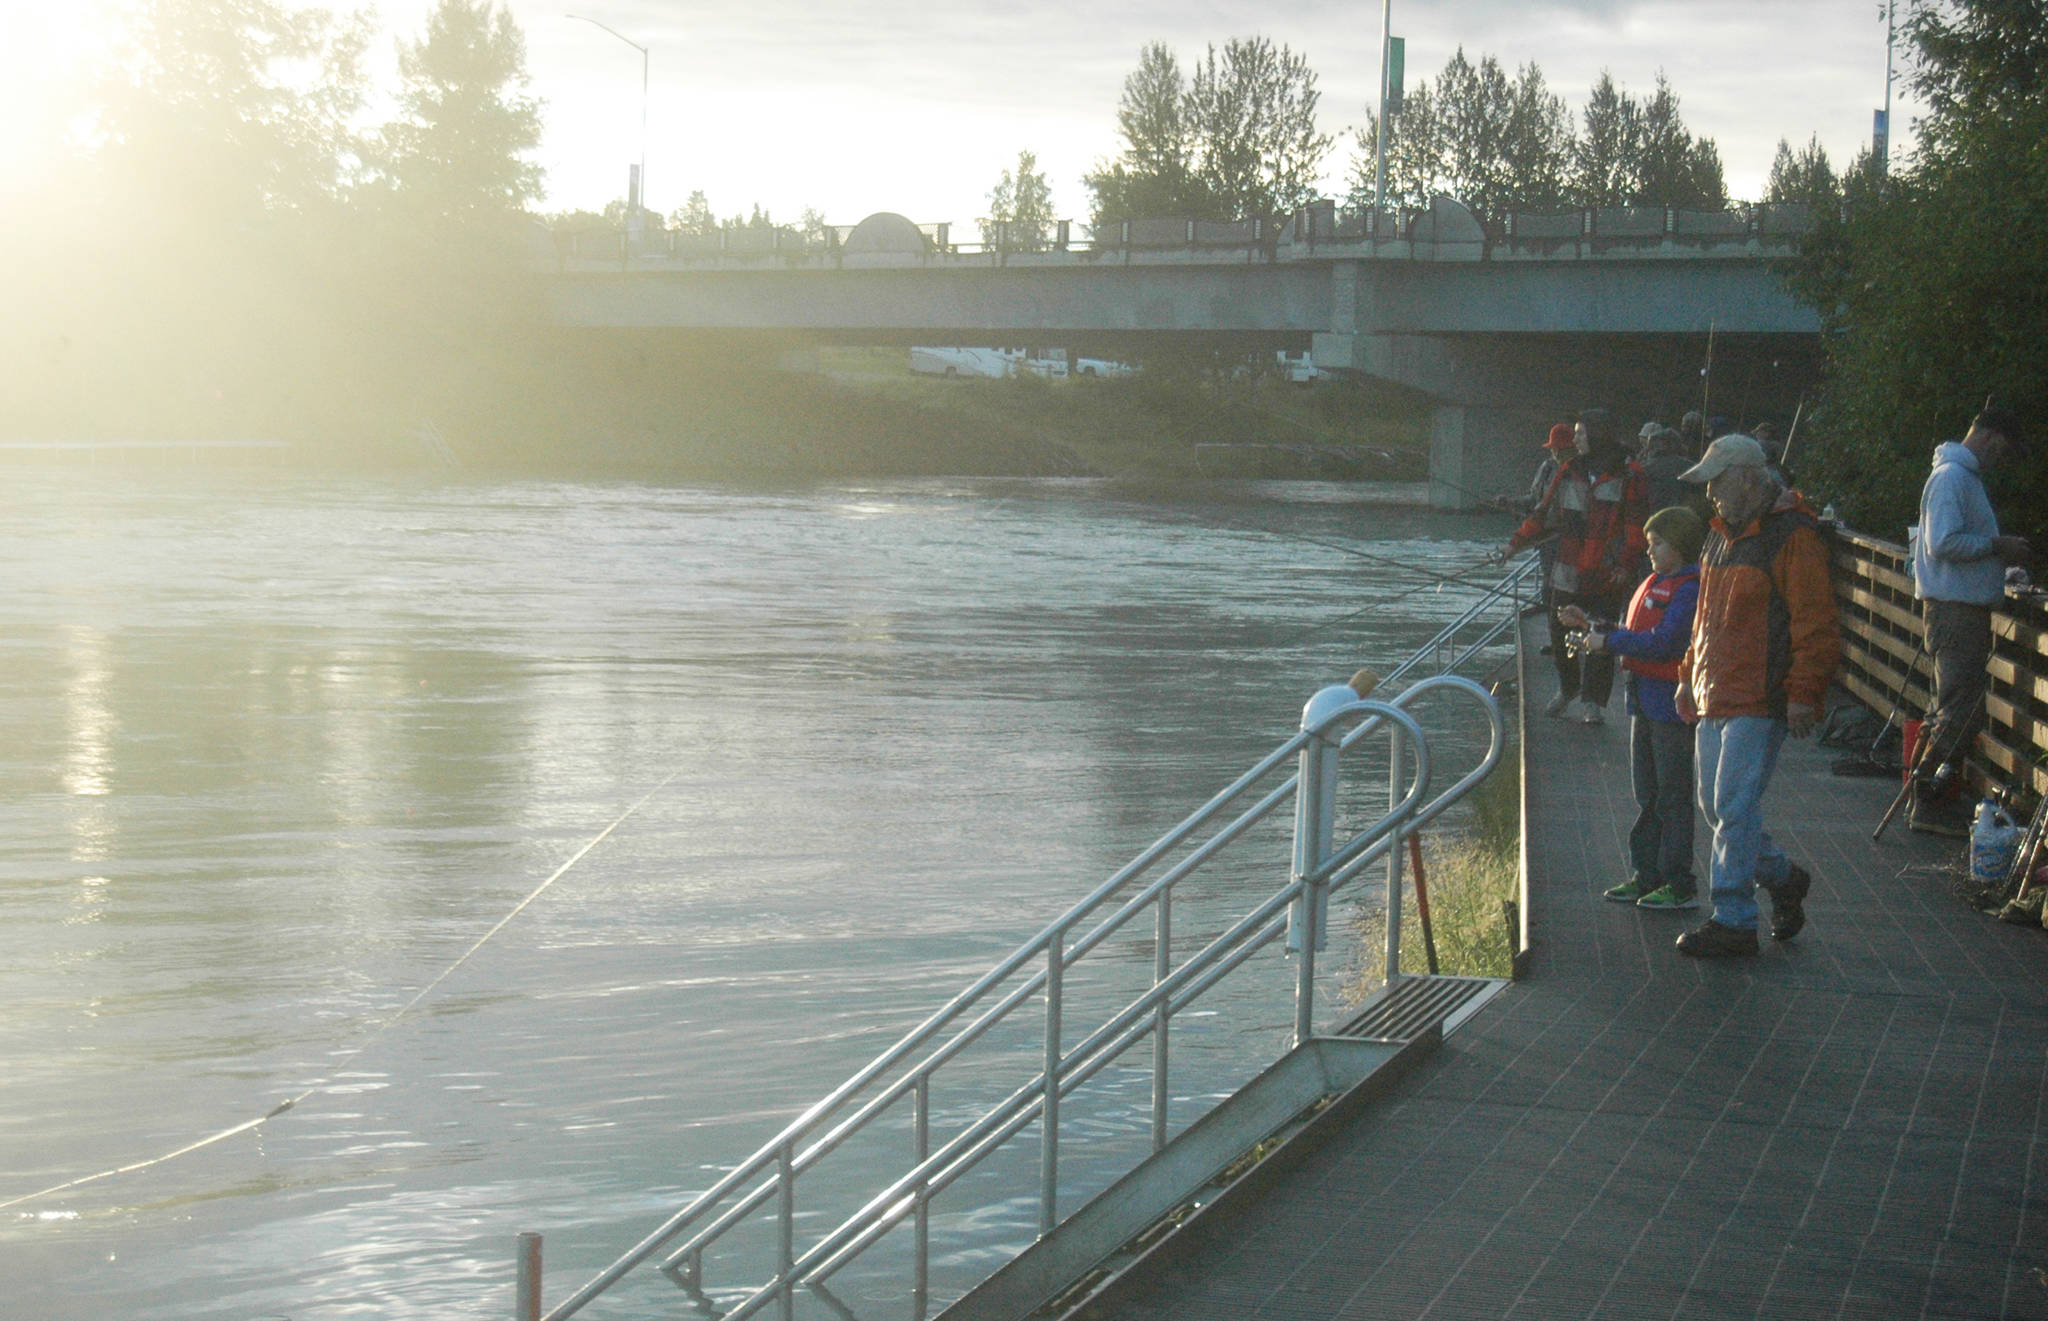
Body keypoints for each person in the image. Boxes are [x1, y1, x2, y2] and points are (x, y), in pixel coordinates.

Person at [1672, 433, 1840, 956]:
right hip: (1715, 687)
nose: (1711, 494)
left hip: (1761, 695)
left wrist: (1802, 693)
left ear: (1748, 477)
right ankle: (1784, 879)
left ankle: (1734, 917)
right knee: (1717, 806)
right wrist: (1685, 676)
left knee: (1733, 805)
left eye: (1718, 482)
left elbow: (1816, 622)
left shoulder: (1794, 536)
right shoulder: (1720, 535)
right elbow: (1703, 620)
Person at [1563, 506, 1705, 910]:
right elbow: (1633, 634)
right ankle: (1648, 874)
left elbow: (1665, 643)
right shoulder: (1655, 581)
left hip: (1670, 704)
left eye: (1657, 543)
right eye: (1649, 544)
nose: (1650, 552)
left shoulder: (1690, 589)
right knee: (1647, 793)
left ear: (1679, 544)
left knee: (1673, 795)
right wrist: (1591, 625)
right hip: (1643, 698)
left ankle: (1680, 883)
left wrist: (1607, 644)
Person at [1908, 405, 2031, 836]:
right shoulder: (1953, 479)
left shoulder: (1958, 477)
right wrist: (1998, 546)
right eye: (2003, 449)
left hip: (1959, 609)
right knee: (1959, 710)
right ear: (1991, 438)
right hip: (1955, 611)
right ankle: (1926, 800)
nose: (2001, 458)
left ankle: (1931, 796)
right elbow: (1943, 542)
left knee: (1952, 706)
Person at [1501, 408, 1650, 724]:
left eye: (1581, 433)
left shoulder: (1630, 474)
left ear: (1598, 435)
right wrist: (1514, 545)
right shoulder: (1568, 470)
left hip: (1606, 573)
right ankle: (1568, 687)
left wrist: (1626, 564)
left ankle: (1592, 702)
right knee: (1558, 631)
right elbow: (1541, 514)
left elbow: (1636, 528)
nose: (1576, 438)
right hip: (1567, 570)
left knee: (1601, 637)